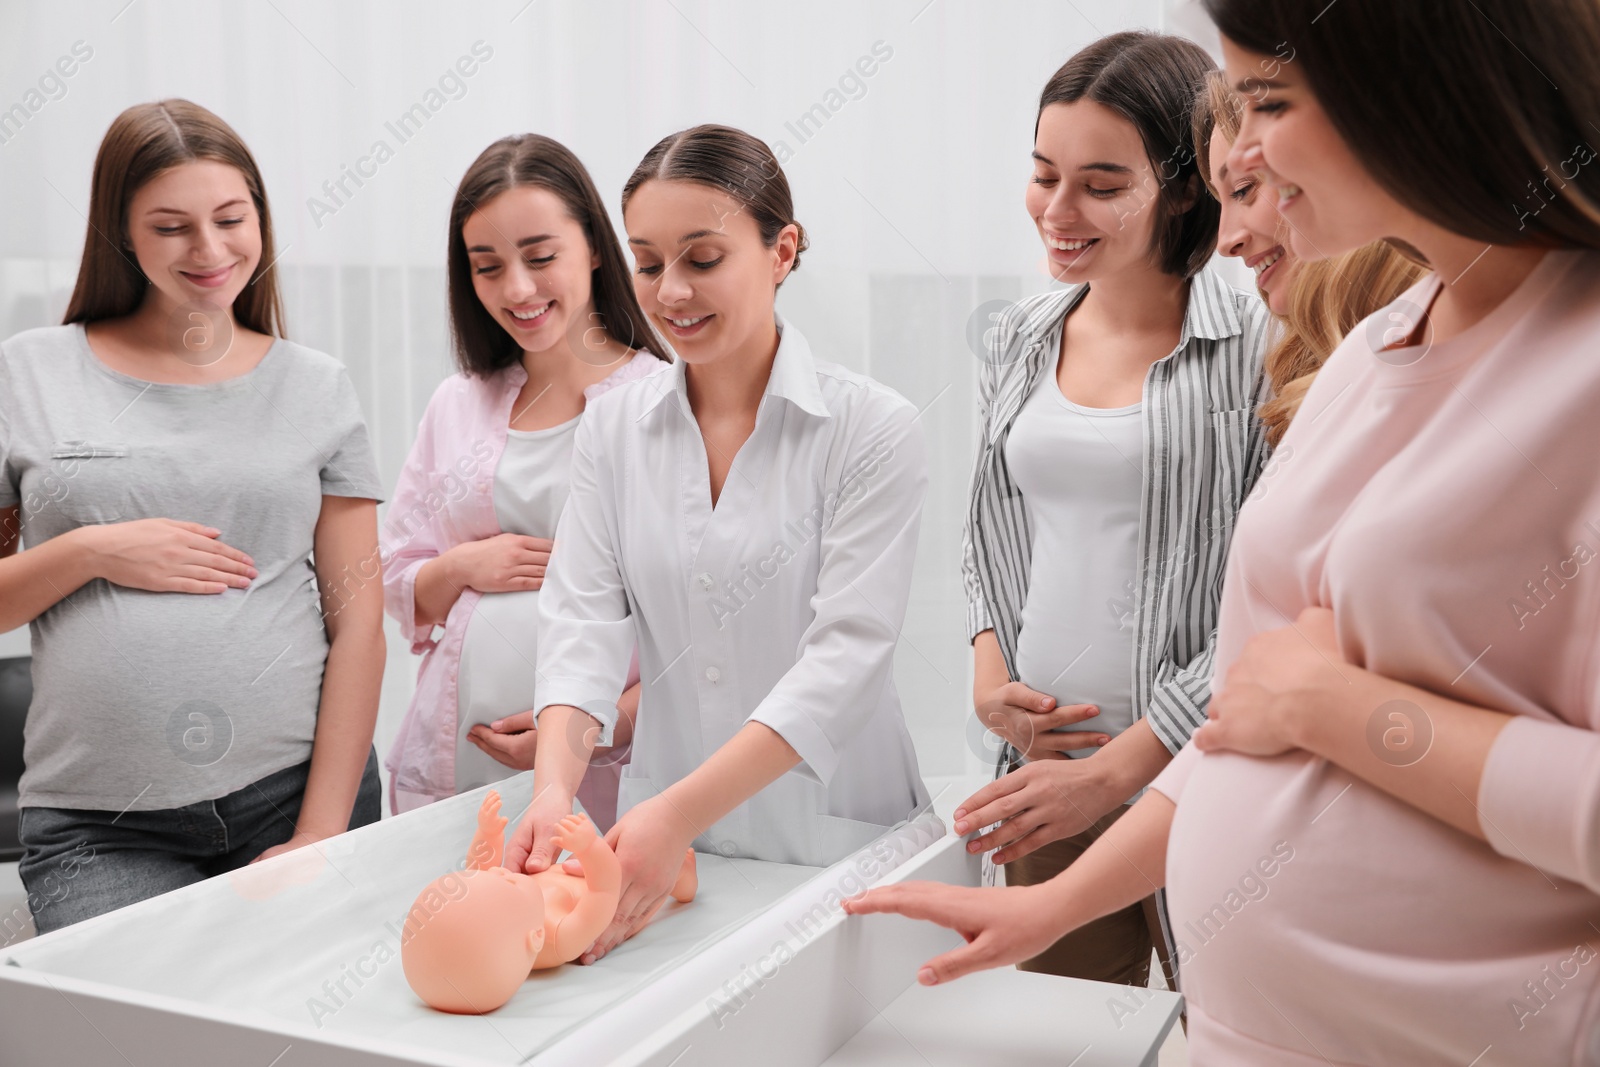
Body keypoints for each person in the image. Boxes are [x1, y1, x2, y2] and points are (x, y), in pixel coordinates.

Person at [847, 2, 1600, 1062]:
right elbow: (1247, 720)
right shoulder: (1372, 350)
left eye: (1270, 107)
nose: (1237, 162)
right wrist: (1054, 904)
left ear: (1420, 88)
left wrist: (1337, 705)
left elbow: (1288, 698)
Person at [508, 124, 930, 963]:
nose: (671, 293)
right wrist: (554, 788)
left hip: (829, 830)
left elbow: (843, 661)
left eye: (703, 259)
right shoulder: (615, 428)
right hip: (666, 835)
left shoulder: (872, 428)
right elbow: (582, 623)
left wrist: (675, 815)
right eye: (649, 260)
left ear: (782, 250)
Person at [0, 100, 384, 932]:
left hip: (296, 795)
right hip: (101, 826)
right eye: (172, 226)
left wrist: (321, 831)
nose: (210, 251)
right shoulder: (27, 373)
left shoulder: (317, 386)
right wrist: (91, 549)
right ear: (121, 234)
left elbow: (360, 625)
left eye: (230, 218)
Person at [956, 31, 1271, 986]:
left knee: (1226, 1030)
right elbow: (990, 534)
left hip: (1202, 778)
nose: (1057, 210)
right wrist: (987, 674)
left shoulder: (1260, 346)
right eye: (1044, 174)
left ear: (1183, 187)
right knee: (1061, 1039)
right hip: (1047, 785)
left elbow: (1274, 603)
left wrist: (1130, 760)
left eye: (1100, 183)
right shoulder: (1016, 336)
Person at [380, 135, 666, 827]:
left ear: (596, 247)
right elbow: (391, 574)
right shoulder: (459, 401)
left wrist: (592, 727)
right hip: (456, 760)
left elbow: (706, 630)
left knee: (583, 915)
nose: (517, 289)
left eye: (541, 257)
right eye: (487, 267)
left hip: (611, 765)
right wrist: (462, 565)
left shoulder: (664, 404)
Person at [1194, 69, 1421, 449]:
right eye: (1219, 202)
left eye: (1244, 189)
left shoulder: (1420, 356)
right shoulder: (1310, 375)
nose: (1225, 242)